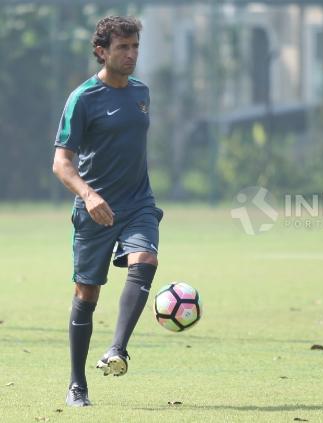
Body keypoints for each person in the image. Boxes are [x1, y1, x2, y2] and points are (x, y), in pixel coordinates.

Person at [51, 16, 162, 407]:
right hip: (94, 209)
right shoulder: (83, 98)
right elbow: (61, 163)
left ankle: (117, 349)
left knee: (146, 259)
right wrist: (89, 195)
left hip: (138, 204)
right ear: (102, 51)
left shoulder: (141, 93)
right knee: (87, 292)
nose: (131, 55)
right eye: (123, 48)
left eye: (135, 47)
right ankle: (77, 383)